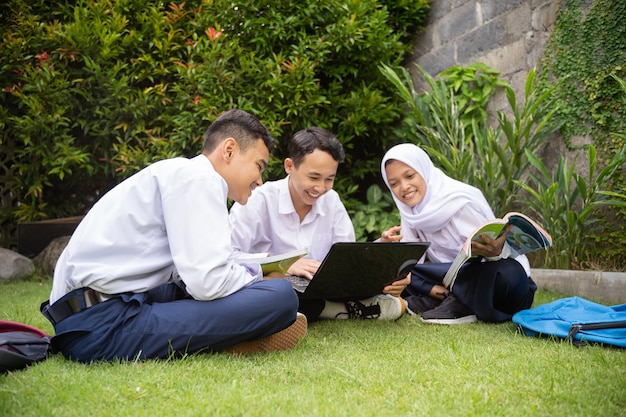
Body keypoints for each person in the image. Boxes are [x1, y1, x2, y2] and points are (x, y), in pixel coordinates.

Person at [40, 109, 307, 363]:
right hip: (103, 326)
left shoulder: (179, 174)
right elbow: (208, 283)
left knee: (199, 290)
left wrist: (255, 269)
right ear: (229, 150)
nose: (260, 180)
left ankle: (234, 330)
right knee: (281, 295)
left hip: (92, 313)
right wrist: (259, 277)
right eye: (258, 166)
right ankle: (237, 334)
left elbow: (198, 270)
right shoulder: (199, 179)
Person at [230, 127, 409, 322]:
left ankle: (324, 309)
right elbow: (229, 257)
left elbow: (346, 259)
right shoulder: (257, 201)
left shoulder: (331, 200)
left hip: (320, 289)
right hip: (272, 285)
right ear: (289, 166)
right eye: (313, 177)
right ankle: (342, 310)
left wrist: (378, 254)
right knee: (277, 287)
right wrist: (285, 264)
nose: (320, 188)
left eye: (329, 179)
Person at [379, 143, 537, 325]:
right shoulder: (410, 212)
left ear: (424, 171)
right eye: (394, 183)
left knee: (509, 272)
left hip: (493, 279)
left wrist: (496, 252)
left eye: (409, 176)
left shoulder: (459, 199)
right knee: (402, 270)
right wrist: (387, 247)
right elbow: (410, 259)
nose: (404, 187)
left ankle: (449, 301)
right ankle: (453, 299)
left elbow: (496, 248)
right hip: (450, 278)